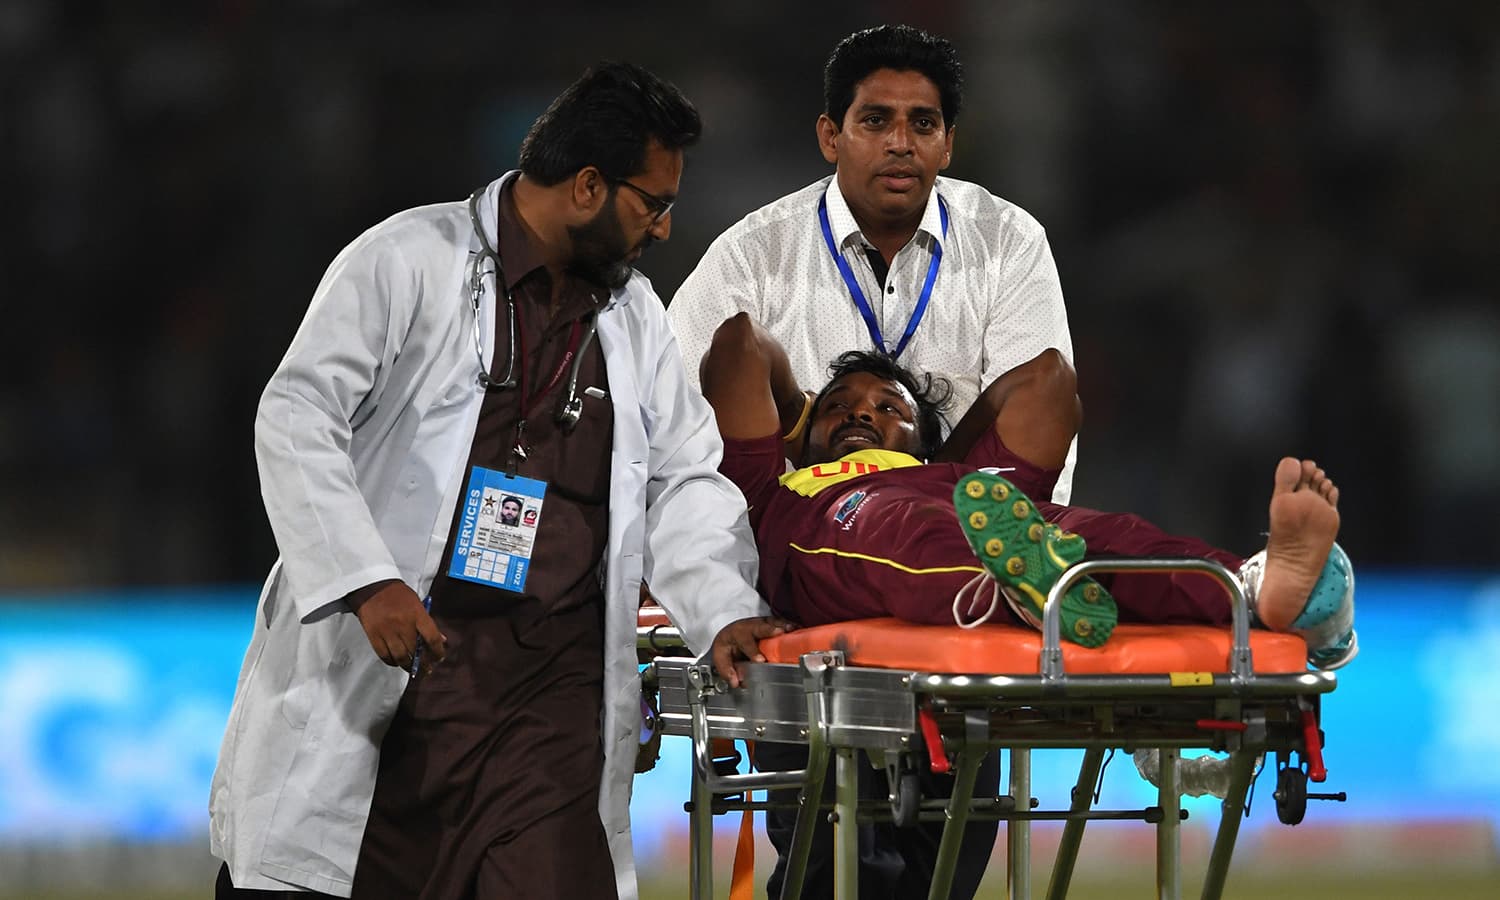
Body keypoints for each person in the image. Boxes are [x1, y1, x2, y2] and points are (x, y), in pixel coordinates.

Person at [209, 64, 792, 900]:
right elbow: (298, 414)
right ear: (588, 185)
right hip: (399, 685)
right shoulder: (407, 260)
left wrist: (724, 609)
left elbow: (686, 479)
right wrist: (367, 579)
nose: (664, 229)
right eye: (651, 204)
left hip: (549, 714)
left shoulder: (635, 318)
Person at [701, 313, 1357, 898]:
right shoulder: (773, 489)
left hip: (972, 517)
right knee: (905, 533)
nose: (859, 413)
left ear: (927, 440)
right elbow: (739, 343)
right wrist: (802, 413)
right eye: (839, 407)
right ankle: (1001, 592)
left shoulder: (964, 484)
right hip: (852, 530)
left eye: (885, 406)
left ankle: (1253, 591)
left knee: (1102, 535)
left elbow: (1048, 380)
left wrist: (947, 462)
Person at [669, 24, 1080, 506]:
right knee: (739, 347)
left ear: (947, 144)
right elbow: (674, 421)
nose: (900, 143)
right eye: (876, 121)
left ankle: (1006, 563)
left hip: (953, 530)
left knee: (1049, 383)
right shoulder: (752, 254)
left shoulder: (1009, 242)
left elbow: (1039, 436)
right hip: (792, 532)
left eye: (923, 124)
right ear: (830, 137)